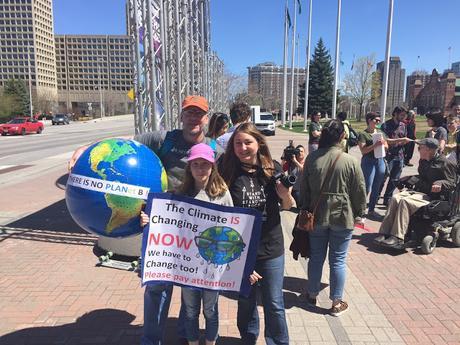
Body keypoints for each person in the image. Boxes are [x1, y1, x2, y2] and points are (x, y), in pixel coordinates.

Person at [69, 95, 222, 345]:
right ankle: (151, 340)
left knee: (190, 286)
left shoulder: (215, 148)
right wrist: (84, 149)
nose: (194, 117)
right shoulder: (163, 139)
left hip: (195, 228)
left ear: (206, 118)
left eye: (199, 113)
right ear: (181, 115)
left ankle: (185, 334)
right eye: (189, 112)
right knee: (157, 287)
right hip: (161, 227)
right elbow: (121, 143)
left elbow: (230, 176)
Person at [141, 143, 233, 345]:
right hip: (187, 265)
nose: (201, 169)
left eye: (205, 164)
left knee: (210, 309)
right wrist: (149, 221)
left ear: (212, 167)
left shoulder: (222, 193)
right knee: (190, 310)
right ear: (189, 167)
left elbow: (232, 226)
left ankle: (210, 342)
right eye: (196, 164)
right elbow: (165, 221)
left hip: (211, 264)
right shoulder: (180, 194)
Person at [220, 123, 293, 345]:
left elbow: (289, 206)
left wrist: (284, 195)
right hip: (240, 249)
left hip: (271, 247)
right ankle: (248, 339)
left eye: (248, 142)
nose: (243, 148)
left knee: (274, 303)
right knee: (245, 300)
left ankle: (278, 342)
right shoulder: (225, 170)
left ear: (259, 143)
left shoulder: (273, 169)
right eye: (238, 143)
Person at [299, 119, 366, 317]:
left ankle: (311, 294)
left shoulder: (312, 158)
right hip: (343, 216)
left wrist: (304, 207)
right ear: (341, 136)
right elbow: (359, 191)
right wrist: (360, 213)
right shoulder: (350, 161)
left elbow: (304, 188)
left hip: (316, 215)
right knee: (337, 260)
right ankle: (336, 302)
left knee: (316, 257)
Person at [375, 138, 457, 248]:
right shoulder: (423, 161)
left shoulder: (445, 163)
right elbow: (422, 177)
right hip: (421, 192)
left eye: (420, 148)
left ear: (429, 150)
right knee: (396, 198)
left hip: (436, 196)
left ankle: (398, 237)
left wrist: (441, 183)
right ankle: (385, 232)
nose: (418, 150)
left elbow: (452, 182)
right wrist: (409, 178)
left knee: (404, 201)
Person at [380, 106, 412, 206]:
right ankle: (375, 197)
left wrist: (404, 142)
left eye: (405, 115)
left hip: (400, 156)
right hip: (388, 156)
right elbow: (386, 140)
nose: (403, 117)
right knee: (383, 177)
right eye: (402, 115)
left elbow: (404, 138)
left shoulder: (403, 125)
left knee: (395, 179)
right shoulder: (386, 125)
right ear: (395, 114)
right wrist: (401, 140)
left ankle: (388, 199)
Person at [358, 113, 388, 217]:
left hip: (380, 161)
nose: (378, 122)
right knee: (366, 187)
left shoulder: (380, 133)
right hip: (368, 161)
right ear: (369, 120)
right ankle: (360, 210)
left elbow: (387, 146)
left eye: (379, 120)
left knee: (377, 186)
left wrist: (384, 144)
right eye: (376, 120)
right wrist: (375, 145)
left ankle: (371, 209)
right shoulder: (363, 134)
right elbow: (363, 150)